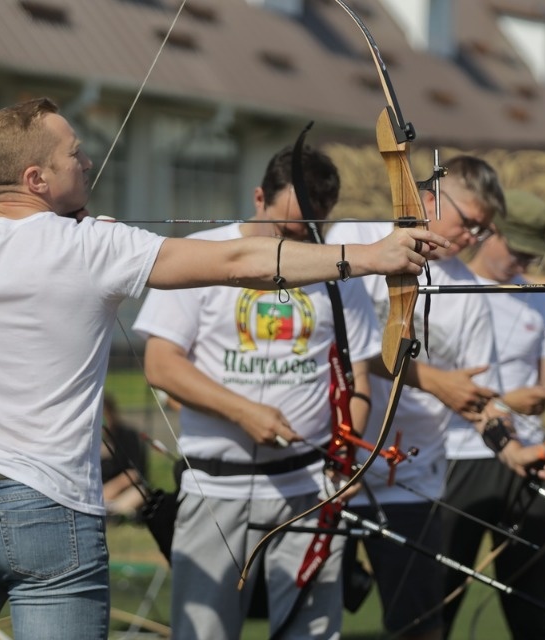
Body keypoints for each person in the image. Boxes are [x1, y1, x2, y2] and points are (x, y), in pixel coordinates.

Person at [0, 97, 447, 640]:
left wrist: (20, 207)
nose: (88, 162)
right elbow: (239, 261)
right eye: (74, 153)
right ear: (36, 178)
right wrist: (372, 255)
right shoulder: (90, 245)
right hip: (47, 505)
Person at [132, 142, 389, 639]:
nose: (298, 243)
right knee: (204, 632)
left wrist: (347, 457)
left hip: (310, 488)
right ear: (258, 198)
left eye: (310, 230)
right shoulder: (204, 254)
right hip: (217, 486)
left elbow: (356, 379)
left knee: (312, 632)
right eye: (287, 229)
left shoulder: (336, 269)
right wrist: (242, 412)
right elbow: (162, 364)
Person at [327, 156, 545, 640]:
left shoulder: (468, 292)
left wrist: (513, 450)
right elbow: (341, 345)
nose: (472, 237)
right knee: (312, 618)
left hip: (411, 478)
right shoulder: (354, 240)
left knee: (420, 627)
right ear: (430, 198)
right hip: (334, 464)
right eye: (468, 222)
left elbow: (476, 398)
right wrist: (432, 379)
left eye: (483, 230)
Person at [439, 189, 545, 640]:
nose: (523, 263)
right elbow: (437, 384)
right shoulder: (447, 289)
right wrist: (510, 402)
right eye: (517, 250)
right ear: (489, 232)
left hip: (524, 458)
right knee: (438, 600)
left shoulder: (539, 300)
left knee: (530, 607)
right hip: (457, 455)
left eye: (532, 255)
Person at [100, 393, 148, 518]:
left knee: (139, 493)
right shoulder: (87, 440)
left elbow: (134, 473)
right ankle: (115, 511)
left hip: (120, 492)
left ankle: (111, 511)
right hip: (96, 493)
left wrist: (110, 489)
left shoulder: (127, 436)